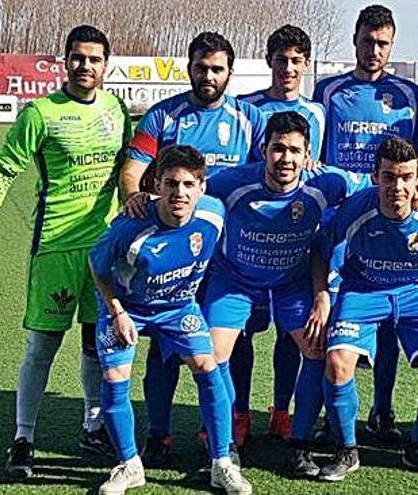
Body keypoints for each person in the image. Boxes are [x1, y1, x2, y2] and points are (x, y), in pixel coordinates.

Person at [0, 25, 132, 479]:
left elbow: (129, 173)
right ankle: (24, 438)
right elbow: (4, 169)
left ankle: (93, 427)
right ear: (65, 61)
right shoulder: (40, 113)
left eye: (95, 59)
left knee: (99, 344)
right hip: (55, 248)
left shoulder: (117, 110)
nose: (86, 66)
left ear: (105, 65)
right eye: (78, 57)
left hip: (104, 249)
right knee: (43, 345)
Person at [117, 31, 267, 462]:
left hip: (227, 255)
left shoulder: (248, 118)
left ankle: (225, 427)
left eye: (217, 68)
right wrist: (134, 197)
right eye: (201, 66)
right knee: (164, 343)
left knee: (233, 341)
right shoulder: (164, 116)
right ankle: (159, 434)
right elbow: (133, 170)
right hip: (173, 255)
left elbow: (272, 170)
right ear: (189, 67)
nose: (208, 75)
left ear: (230, 73)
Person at [199, 112, 371, 479]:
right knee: (213, 354)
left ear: (308, 154)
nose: (286, 159)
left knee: (316, 348)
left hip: (292, 282)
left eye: (295, 150)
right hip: (235, 281)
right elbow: (186, 190)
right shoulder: (232, 183)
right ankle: (225, 443)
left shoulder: (327, 183)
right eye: (278, 149)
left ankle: (300, 443)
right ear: (264, 150)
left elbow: (375, 186)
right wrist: (143, 200)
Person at [316, 136, 418, 481]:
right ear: (376, 177)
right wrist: (322, 294)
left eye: (406, 177)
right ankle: (347, 449)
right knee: (336, 363)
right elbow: (321, 249)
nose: (398, 186)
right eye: (389, 177)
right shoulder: (357, 208)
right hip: (363, 290)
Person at [89, 145, 251, 494]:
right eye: (171, 183)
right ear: (157, 185)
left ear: (202, 187)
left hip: (178, 308)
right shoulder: (130, 226)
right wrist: (116, 312)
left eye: (189, 184)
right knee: (116, 376)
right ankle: (130, 465)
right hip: (127, 307)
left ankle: (221, 463)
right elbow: (97, 265)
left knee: (208, 367)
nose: (180, 193)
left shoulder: (214, 214)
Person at [311, 4, 418, 443]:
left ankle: (383, 409)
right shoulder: (329, 91)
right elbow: (316, 157)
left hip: (392, 216)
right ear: (354, 41)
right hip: (344, 218)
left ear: (391, 45)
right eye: (367, 41)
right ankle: (327, 414)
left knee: (389, 313)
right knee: (334, 315)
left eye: (382, 43)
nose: (374, 50)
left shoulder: (410, 95)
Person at [236, 24, 326, 442]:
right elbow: (242, 172)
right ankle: (238, 411)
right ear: (269, 61)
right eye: (281, 59)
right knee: (243, 332)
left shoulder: (317, 112)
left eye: (296, 61)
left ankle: (281, 409)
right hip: (252, 240)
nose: (288, 68)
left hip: (295, 237)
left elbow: (314, 171)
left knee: (294, 333)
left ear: (305, 66)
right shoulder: (247, 108)